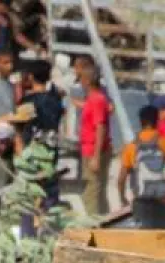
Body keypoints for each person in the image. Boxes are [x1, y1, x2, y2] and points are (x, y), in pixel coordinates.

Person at [118, 105, 165, 230]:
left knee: (143, 240)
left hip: (141, 202)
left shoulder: (131, 147)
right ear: (157, 120)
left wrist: (123, 198)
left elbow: (121, 179)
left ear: (140, 121)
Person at [74, 55, 112, 218]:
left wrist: (96, 156)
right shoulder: (95, 99)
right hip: (91, 149)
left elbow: (100, 127)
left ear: (87, 80)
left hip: (93, 151)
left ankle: (94, 225)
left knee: (91, 192)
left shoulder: (96, 99)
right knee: (97, 190)